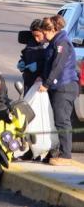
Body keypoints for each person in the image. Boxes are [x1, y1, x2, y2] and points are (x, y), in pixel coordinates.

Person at [39, 15, 79, 166]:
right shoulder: (55, 42)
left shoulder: (62, 43)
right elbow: (48, 64)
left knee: (63, 121)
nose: (44, 35)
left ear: (52, 30)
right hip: (59, 86)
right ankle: (58, 151)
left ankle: (66, 155)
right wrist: (41, 78)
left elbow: (58, 66)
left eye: (44, 32)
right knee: (57, 120)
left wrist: (47, 83)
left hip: (64, 87)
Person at [17, 19, 48, 95]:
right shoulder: (31, 43)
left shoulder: (51, 45)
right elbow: (25, 56)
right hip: (29, 81)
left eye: (38, 36)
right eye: (34, 36)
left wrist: (38, 66)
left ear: (44, 32)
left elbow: (52, 65)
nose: (36, 39)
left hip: (41, 83)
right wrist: (22, 62)